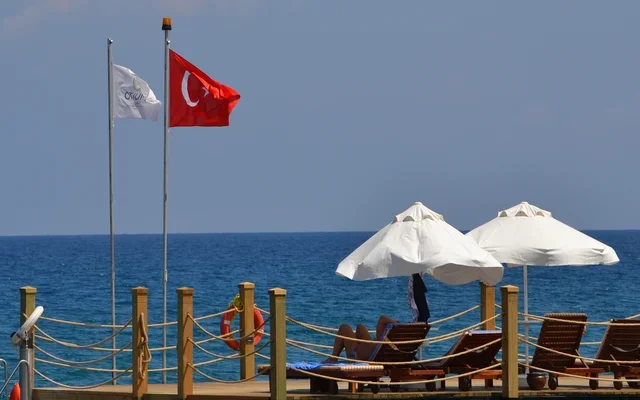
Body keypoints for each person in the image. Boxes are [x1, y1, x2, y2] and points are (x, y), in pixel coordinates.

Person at [324, 273, 431, 362]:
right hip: (380, 351)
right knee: (360, 327)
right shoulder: (414, 332)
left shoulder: (403, 330)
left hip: (360, 355)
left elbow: (382, 319)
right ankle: (352, 347)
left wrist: (398, 324)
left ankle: (333, 358)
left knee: (344, 327)